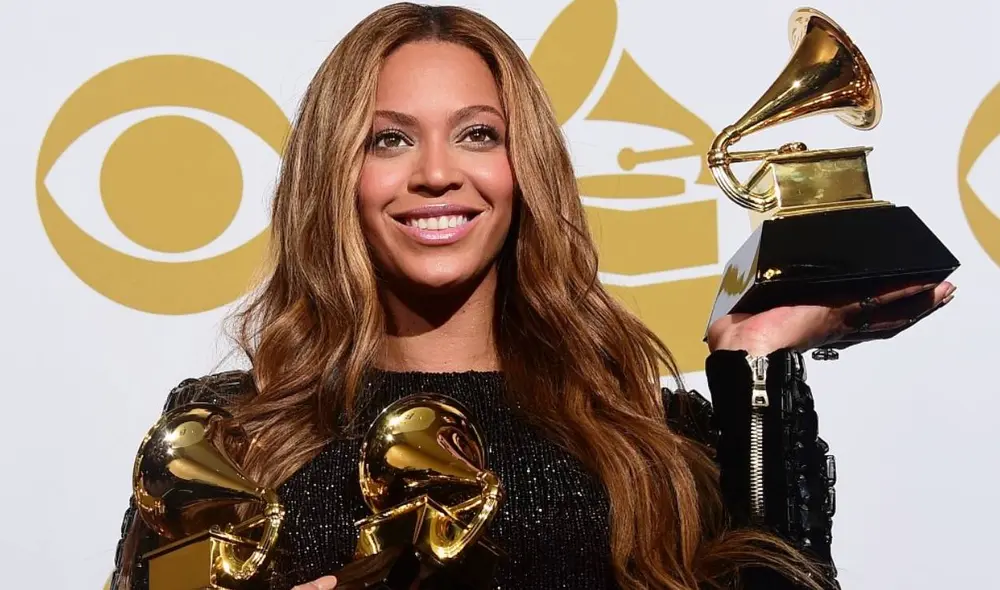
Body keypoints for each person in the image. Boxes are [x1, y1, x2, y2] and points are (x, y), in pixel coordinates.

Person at [109, 3, 954, 589]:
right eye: (389, 139)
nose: (438, 172)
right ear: (336, 176)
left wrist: (755, 367)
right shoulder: (229, 436)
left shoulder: (644, 440)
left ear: (526, 173)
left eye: (479, 134)